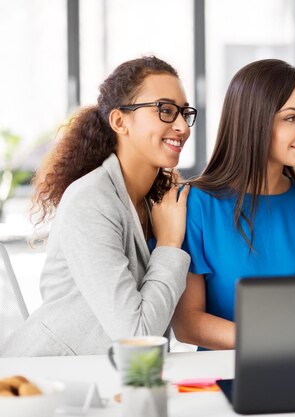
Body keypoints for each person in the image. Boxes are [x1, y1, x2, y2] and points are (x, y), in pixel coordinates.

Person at [0, 56, 193, 357]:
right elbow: (137, 336)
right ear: (119, 121)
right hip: (41, 383)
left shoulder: (157, 202)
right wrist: (168, 245)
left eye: (185, 113)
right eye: (166, 111)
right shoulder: (90, 201)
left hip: (103, 384)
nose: (182, 126)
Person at [172, 59, 295, 350]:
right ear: (253, 121)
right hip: (228, 373)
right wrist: (271, 342)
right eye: (291, 118)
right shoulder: (196, 205)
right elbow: (187, 323)